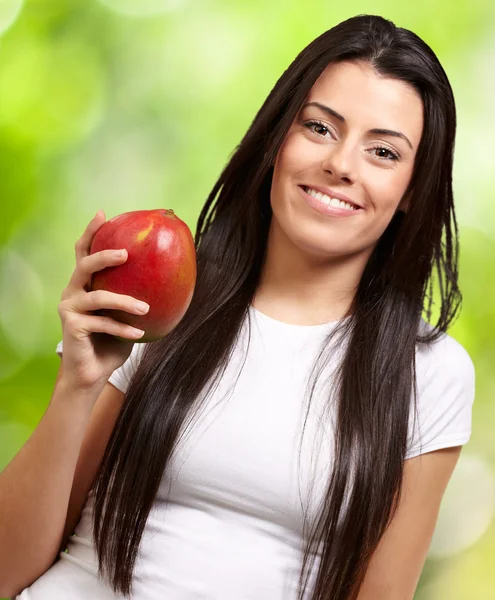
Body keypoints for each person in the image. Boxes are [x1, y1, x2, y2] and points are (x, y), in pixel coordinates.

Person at [0, 13, 476, 600]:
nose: (342, 165)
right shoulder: (162, 301)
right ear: (278, 139)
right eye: (321, 129)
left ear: (412, 191)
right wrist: (78, 384)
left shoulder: (429, 374)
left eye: (382, 151)